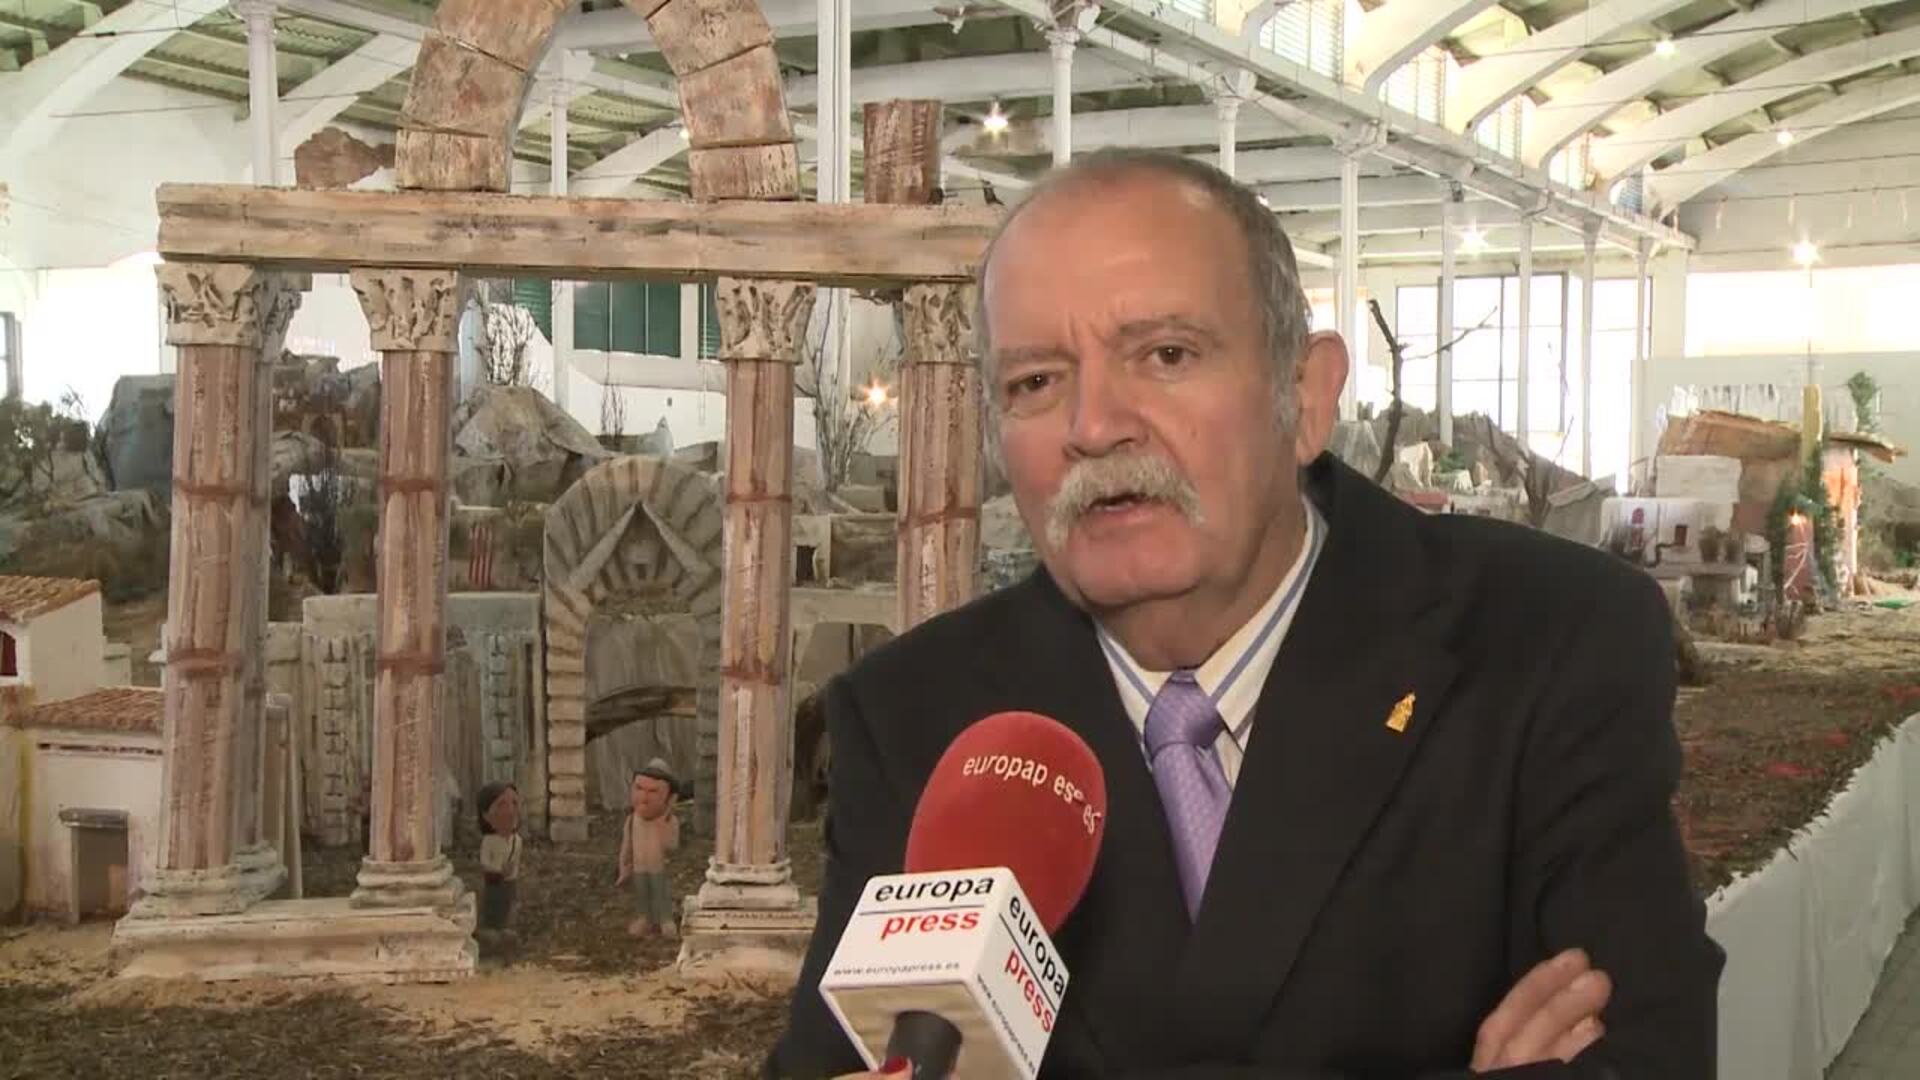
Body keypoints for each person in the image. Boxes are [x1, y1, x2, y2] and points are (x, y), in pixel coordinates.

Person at [768, 148, 1724, 1079]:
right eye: (1036, 382)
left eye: (1166, 354)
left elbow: (1648, 1053)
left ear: (1304, 396)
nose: (1093, 426)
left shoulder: (1546, 642)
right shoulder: (915, 720)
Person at [618, 758, 682, 938]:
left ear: (669, 797)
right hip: (639, 868)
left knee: (661, 893)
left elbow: (672, 847)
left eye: (653, 792)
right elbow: (626, 846)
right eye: (639, 789)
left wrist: (665, 822)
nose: (644, 798)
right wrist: (624, 867)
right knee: (641, 893)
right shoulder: (632, 821)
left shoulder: (670, 822)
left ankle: (665, 919)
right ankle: (643, 918)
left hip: (659, 868)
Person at [475, 781, 522, 944]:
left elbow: (516, 860)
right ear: (486, 815)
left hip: (510, 881)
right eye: (502, 805)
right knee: (493, 902)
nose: (510, 811)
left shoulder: (517, 840)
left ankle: (506, 926)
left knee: (509, 902)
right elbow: (485, 862)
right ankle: (491, 927)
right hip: (494, 881)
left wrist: (511, 872)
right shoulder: (489, 842)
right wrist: (498, 870)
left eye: (514, 803)